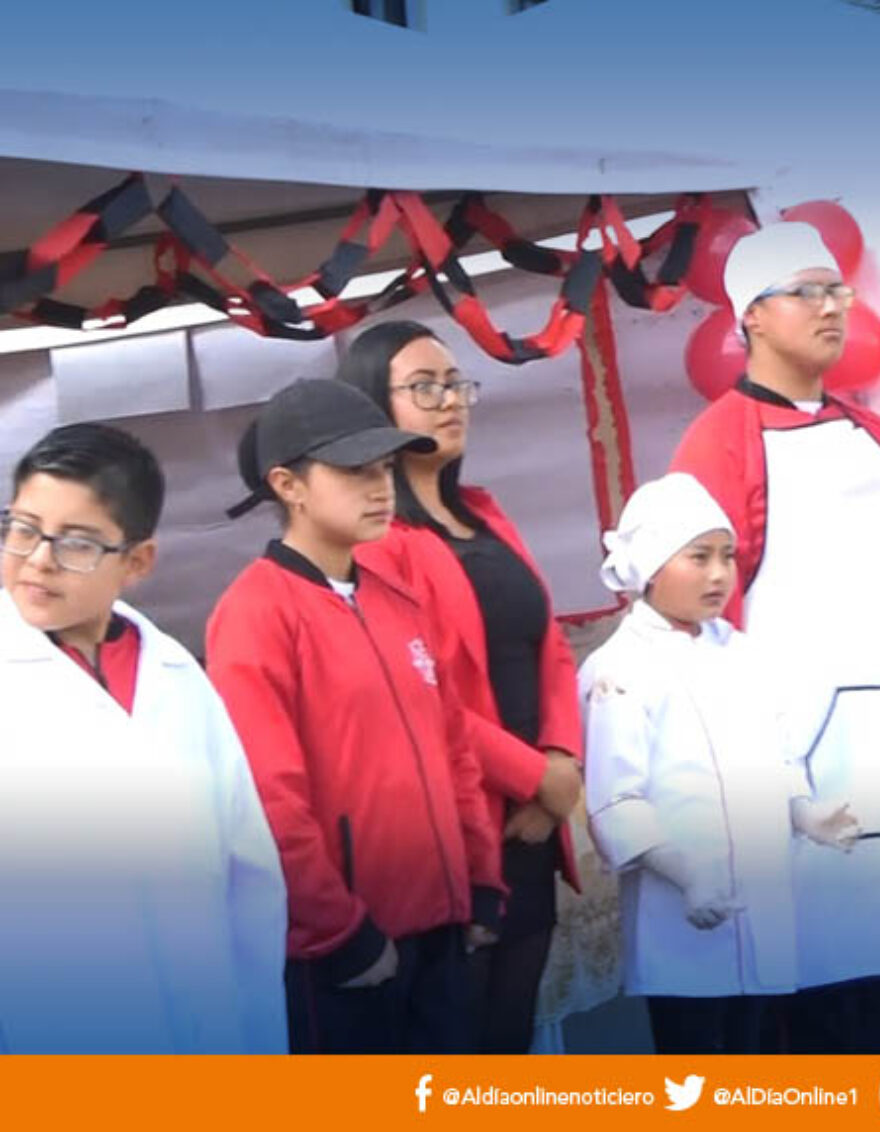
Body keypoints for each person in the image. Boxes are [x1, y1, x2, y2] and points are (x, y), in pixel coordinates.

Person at [668, 221, 880, 1052]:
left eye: (838, 289)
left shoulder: (878, 437)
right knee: (818, 975)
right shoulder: (720, 441)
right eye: (807, 290)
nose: (833, 307)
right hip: (800, 751)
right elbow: (700, 611)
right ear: (751, 316)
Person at [208, 380, 503, 1054]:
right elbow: (267, 798)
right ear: (288, 484)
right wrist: (341, 934)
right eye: (354, 471)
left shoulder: (397, 598)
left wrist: (481, 882)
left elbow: (453, 749)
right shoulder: (256, 613)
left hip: (443, 930)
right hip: (347, 952)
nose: (380, 489)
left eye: (384, 470)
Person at [338, 321, 586, 1053]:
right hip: (461, 830)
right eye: (424, 388)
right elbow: (421, 690)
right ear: (373, 407)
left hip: (534, 828)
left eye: (455, 384)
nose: (450, 401)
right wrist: (534, 776)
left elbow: (551, 653)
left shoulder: (483, 512)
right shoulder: (379, 541)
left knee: (508, 1038)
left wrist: (562, 762)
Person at [0, 425, 287, 1053]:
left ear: (137, 561)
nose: (39, 560)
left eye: (75, 543)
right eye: (22, 529)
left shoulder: (179, 681)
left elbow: (250, 879)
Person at [581, 474, 861, 1053]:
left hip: (761, 903)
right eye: (699, 557)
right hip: (682, 915)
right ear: (652, 566)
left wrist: (804, 814)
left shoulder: (741, 652)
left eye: (727, 557)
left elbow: (775, 753)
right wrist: (688, 876)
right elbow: (618, 798)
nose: (718, 574)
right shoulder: (620, 669)